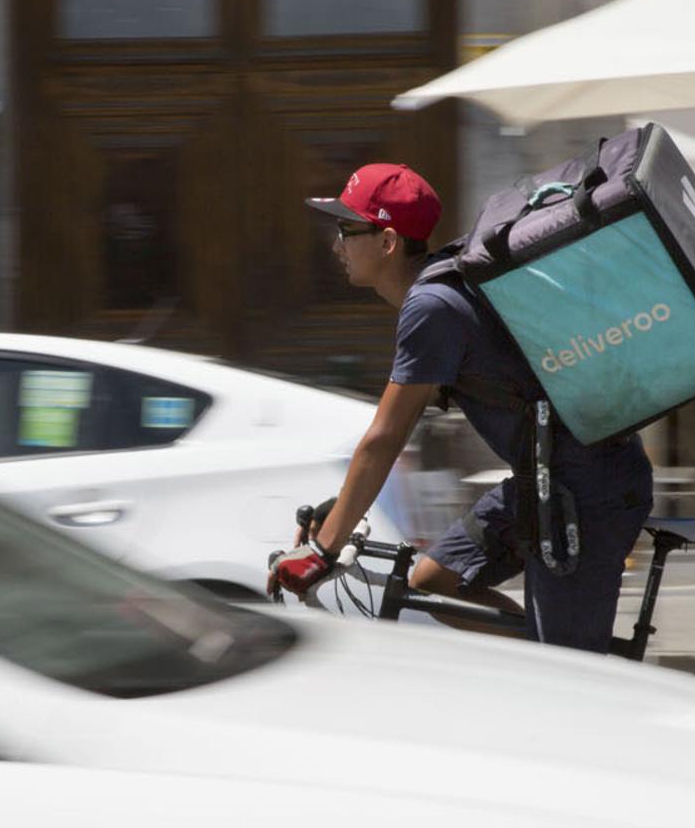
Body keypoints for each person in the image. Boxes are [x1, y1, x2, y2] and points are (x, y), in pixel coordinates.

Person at [267, 164, 653, 653]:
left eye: (347, 230)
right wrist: (341, 511)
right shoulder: (443, 284)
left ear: (387, 242)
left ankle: (581, 690)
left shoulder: (432, 307)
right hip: (546, 482)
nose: (336, 245)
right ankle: (539, 661)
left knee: (575, 675)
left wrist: (322, 551)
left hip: (585, 492)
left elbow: (385, 437)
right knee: (434, 581)